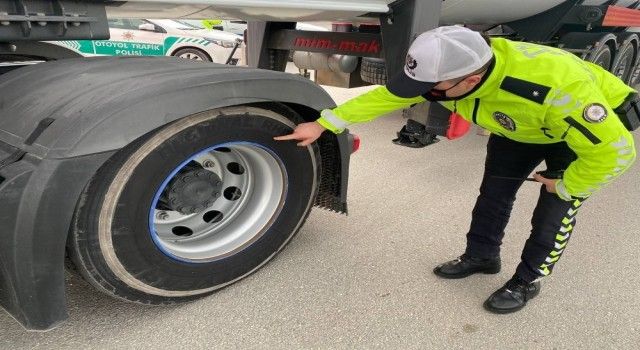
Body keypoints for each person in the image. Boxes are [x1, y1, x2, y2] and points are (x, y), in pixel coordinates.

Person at [274, 26, 637, 313]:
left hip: (576, 133)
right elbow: (389, 96)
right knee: (493, 195)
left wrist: (568, 185)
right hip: (522, 125)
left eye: (432, 89)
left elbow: (616, 153)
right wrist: (325, 123)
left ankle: (527, 280)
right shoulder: (455, 72)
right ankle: (482, 256)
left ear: (469, 81)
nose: (424, 94)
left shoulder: (557, 90)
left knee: (553, 211)